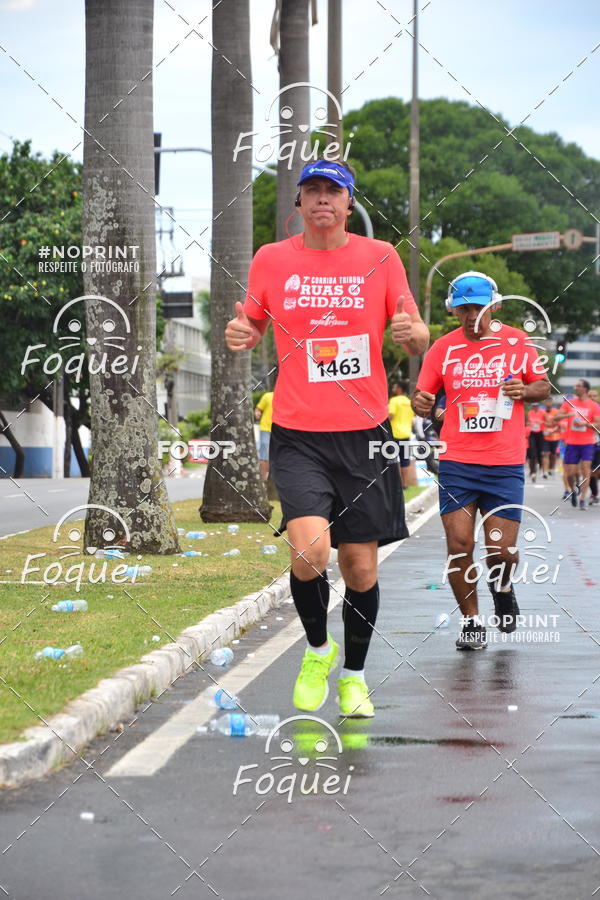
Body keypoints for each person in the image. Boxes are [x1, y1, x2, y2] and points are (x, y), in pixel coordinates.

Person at [225, 159, 429, 716]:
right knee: (309, 551)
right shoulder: (271, 258)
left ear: (348, 204)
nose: (322, 199)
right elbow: (252, 323)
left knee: (361, 566)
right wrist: (242, 332)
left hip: (365, 434)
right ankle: (318, 649)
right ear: (299, 203)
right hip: (299, 433)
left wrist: (413, 332)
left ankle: (354, 677)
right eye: (311, 190)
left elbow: (415, 334)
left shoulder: (380, 257)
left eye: (332, 191)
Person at [413, 271, 550, 650]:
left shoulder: (517, 342)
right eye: (464, 309)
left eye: (479, 308)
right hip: (457, 462)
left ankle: (502, 588)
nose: (472, 315)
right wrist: (421, 402)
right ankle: (472, 622)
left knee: (501, 552)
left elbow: (542, 386)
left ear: (496, 307)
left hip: (504, 463)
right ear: (453, 311)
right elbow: (422, 397)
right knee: (459, 546)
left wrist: (525, 390)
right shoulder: (443, 348)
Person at [553, 379, 600, 509]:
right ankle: (573, 490)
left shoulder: (593, 406)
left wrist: (585, 424)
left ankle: (582, 499)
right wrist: (568, 414)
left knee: (586, 470)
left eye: (578, 386)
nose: (575, 387)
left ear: (585, 389)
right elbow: (556, 417)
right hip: (572, 443)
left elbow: (598, 424)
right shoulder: (569, 403)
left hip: (587, 443)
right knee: (570, 473)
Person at [388, 380, 415, 488]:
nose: (393, 389)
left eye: (394, 387)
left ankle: (394, 485)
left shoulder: (394, 400)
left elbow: (391, 416)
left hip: (394, 434)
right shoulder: (409, 402)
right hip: (406, 434)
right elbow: (413, 419)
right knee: (405, 459)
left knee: (391, 460)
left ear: (399, 389)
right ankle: (405, 484)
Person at [254, 390, 274, 481]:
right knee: (264, 456)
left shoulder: (287, 397)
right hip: (265, 429)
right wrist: (257, 413)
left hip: (280, 431)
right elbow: (258, 409)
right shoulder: (267, 396)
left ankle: (271, 478)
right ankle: (263, 480)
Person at [541, 397, 561, 477]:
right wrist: (544, 428)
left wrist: (552, 430)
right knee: (545, 453)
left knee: (553, 454)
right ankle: (545, 472)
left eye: (550, 402)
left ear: (552, 403)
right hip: (545, 437)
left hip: (555, 437)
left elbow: (559, 424)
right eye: (547, 402)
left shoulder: (556, 412)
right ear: (545, 403)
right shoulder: (542, 412)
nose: (548, 404)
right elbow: (540, 422)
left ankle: (552, 468)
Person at [526, 403, 546, 481]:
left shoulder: (542, 412)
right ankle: (533, 472)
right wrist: (529, 424)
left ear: (538, 406)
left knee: (540, 453)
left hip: (540, 434)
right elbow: (527, 423)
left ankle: (541, 468)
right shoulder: (529, 413)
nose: (535, 407)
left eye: (536, 406)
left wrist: (541, 422)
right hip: (532, 433)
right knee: (532, 453)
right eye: (533, 406)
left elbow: (548, 422)